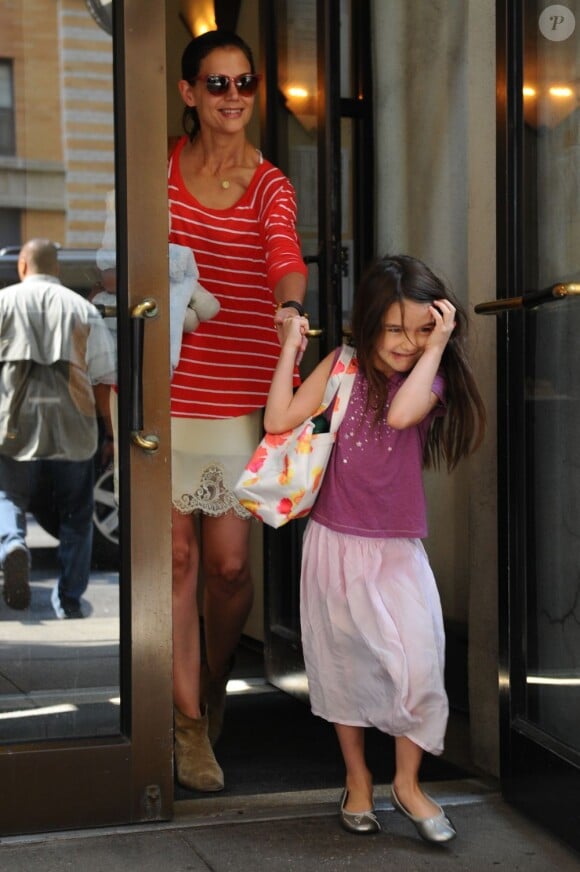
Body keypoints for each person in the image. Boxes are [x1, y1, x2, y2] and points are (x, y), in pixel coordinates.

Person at [263, 254, 486, 842]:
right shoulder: (342, 366)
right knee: (343, 668)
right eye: (394, 329)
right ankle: (358, 778)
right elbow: (279, 416)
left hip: (395, 551)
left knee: (419, 664)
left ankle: (408, 785)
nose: (406, 343)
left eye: (421, 329)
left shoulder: (426, 378)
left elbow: (402, 412)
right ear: (367, 323)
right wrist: (291, 345)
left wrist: (438, 345)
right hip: (334, 545)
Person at [168, 29, 308, 792]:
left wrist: (291, 309)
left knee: (226, 568)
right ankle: (188, 724)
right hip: (164, 387)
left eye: (243, 82)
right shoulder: (156, 164)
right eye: (216, 84)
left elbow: (285, 256)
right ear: (190, 93)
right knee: (178, 561)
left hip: (235, 395)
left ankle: (214, 676)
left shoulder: (269, 184)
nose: (232, 97)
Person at [0, 239, 116, 618]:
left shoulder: (3, 304)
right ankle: (68, 600)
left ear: (22, 267)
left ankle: (13, 545)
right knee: (76, 515)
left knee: (9, 498)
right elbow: (102, 377)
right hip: (74, 426)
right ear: (58, 269)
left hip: (17, 426)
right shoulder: (82, 309)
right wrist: (110, 433)